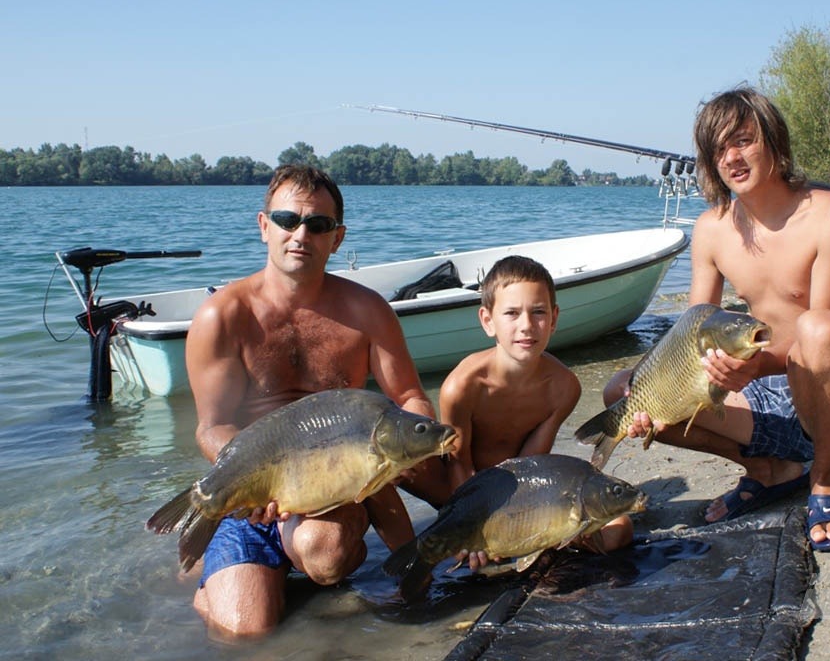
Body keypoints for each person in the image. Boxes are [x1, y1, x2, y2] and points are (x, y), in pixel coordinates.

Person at [606, 87, 830, 552]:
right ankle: (769, 470)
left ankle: (827, 477)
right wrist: (663, 387)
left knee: (818, 329)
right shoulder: (711, 229)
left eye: (743, 140)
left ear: (774, 142)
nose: (731, 158)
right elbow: (691, 334)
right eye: (718, 149)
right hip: (761, 388)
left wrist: (753, 366)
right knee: (624, 392)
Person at [183, 164, 446, 639]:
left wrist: (417, 438)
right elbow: (211, 426)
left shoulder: (367, 311)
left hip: (336, 488)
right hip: (258, 491)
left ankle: (314, 562)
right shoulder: (220, 316)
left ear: (337, 238)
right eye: (287, 220)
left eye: (318, 224)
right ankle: (221, 579)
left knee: (325, 556)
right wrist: (256, 482)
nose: (300, 233)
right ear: (264, 226)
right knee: (247, 633)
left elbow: (407, 395)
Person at [440, 255, 634, 570]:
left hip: (521, 487)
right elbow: (458, 463)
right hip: (463, 484)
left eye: (539, 312)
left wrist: (531, 519)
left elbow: (531, 466)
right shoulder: (461, 386)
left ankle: (532, 542)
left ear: (554, 319)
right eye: (512, 313)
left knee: (619, 529)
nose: (527, 325)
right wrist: (472, 523)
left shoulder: (564, 387)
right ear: (488, 320)